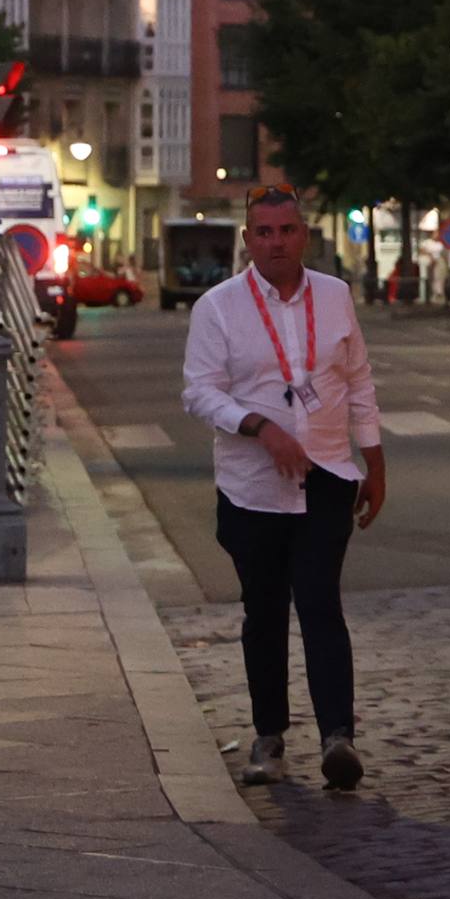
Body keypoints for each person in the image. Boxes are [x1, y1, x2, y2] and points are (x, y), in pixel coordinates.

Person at [181, 183, 386, 791]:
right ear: (248, 239)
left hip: (327, 476)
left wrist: (373, 463)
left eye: (287, 230)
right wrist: (261, 426)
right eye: (264, 232)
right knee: (264, 612)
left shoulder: (335, 295)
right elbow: (199, 390)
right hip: (252, 489)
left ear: (305, 235)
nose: (276, 242)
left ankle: (338, 738)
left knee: (322, 602)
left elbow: (358, 382)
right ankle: (268, 736)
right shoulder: (218, 307)